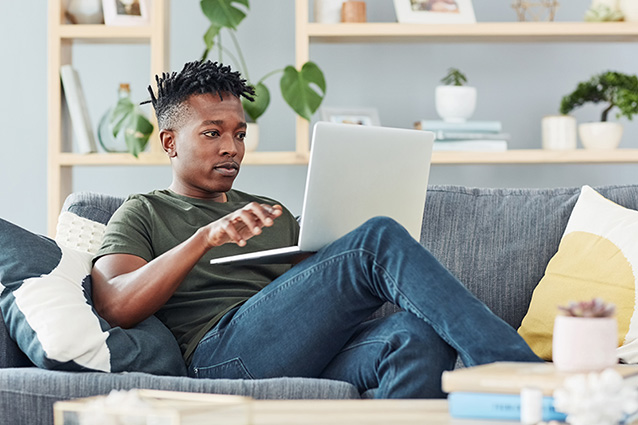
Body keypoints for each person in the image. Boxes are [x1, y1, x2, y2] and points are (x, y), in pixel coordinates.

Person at [92, 60, 541, 399]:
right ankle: (519, 373)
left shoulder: (270, 212)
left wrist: (325, 270)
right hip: (219, 359)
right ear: (170, 141)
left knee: (414, 336)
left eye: (240, 134)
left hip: (301, 354)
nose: (232, 148)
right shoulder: (144, 211)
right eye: (213, 134)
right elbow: (115, 304)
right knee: (376, 238)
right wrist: (204, 239)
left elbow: (303, 305)